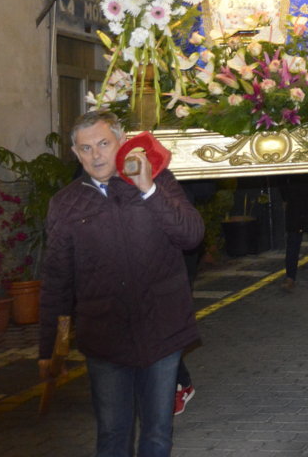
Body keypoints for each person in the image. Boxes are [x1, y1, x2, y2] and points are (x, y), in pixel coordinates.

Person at [39, 111, 203, 457]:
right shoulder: (65, 204)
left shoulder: (159, 180)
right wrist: (48, 348)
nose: (96, 155)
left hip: (161, 330)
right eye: (86, 148)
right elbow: (57, 281)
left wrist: (149, 191)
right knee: (113, 434)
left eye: (103, 143)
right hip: (105, 336)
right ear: (75, 153)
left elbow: (191, 236)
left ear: (121, 142)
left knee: (157, 433)